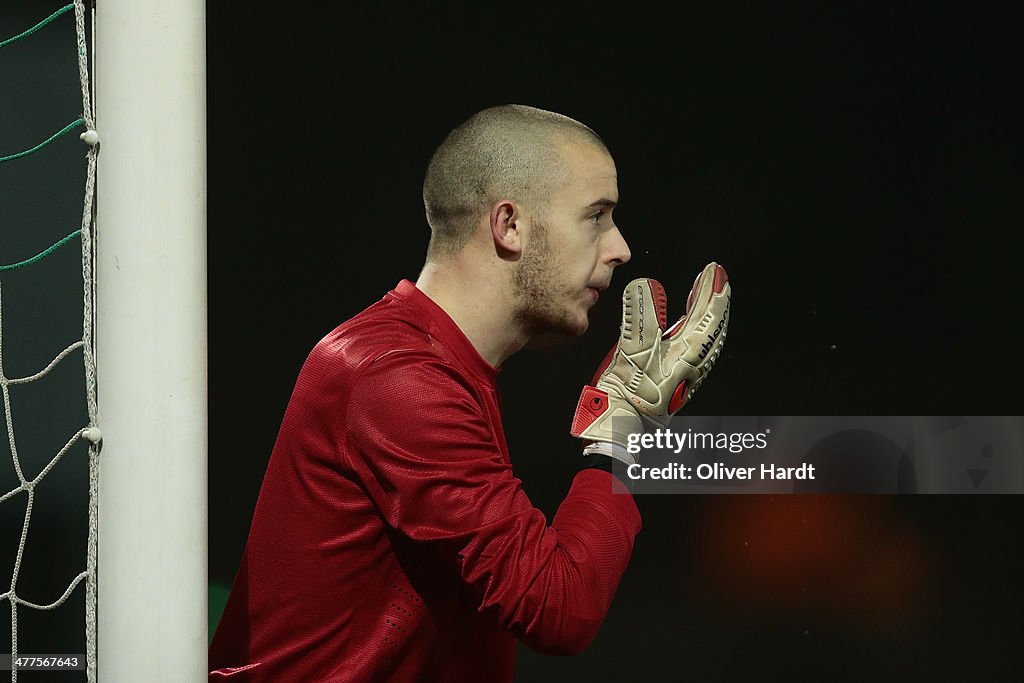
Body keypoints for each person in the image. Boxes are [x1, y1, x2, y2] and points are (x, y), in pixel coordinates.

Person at [208, 104, 729, 682]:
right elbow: (559, 611)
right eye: (597, 216)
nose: (621, 247)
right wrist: (622, 428)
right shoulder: (396, 376)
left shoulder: (438, 365)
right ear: (509, 225)